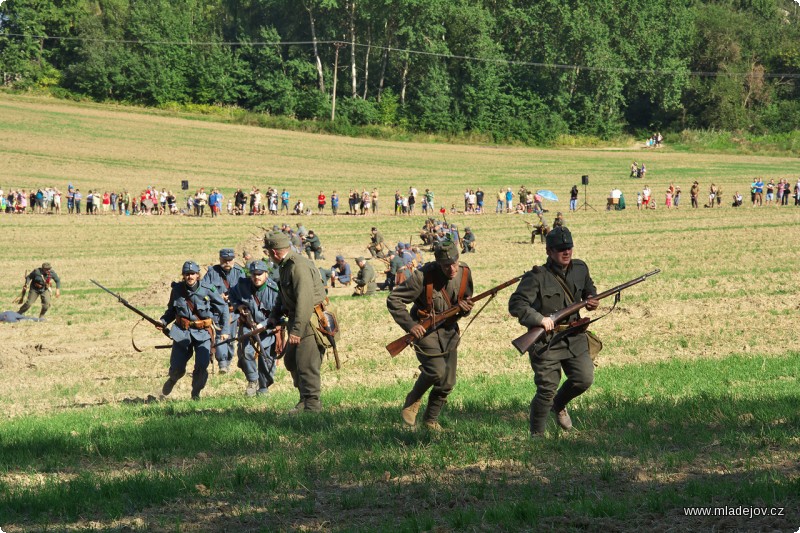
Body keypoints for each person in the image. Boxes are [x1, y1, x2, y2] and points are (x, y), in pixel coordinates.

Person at [508, 227, 599, 438]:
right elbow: (517, 304)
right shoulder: (536, 277)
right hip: (546, 342)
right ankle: (537, 434)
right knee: (546, 389)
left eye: (568, 247)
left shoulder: (580, 268)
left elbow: (589, 289)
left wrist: (592, 299)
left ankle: (558, 405)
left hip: (574, 337)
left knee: (584, 378)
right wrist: (540, 319)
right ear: (549, 251)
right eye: (560, 249)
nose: (566, 252)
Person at [387, 239, 474, 430]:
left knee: (448, 382)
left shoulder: (465, 272)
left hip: (449, 331)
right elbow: (394, 299)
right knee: (436, 371)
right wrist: (410, 325)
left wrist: (465, 309)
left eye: (454, 263)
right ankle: (413, 400)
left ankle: (430, 421)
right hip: (424, 330)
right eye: (445, 265)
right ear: (437, 263)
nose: (452, 269)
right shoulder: (422, 276)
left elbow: (465, 302)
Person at [264, 231, 327, 413]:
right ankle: (304, 399)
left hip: (308, 321)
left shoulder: (297, 266)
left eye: (268, 252)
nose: (268, 255)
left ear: (274, 252)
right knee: (292, 361)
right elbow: (283, 295)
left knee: (306, 364)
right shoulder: (285, 265)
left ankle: (312, 406)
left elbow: (304, 301)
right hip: (297, 319)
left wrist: (297, 331)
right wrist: (275, 314)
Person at [158, 261, 229, 400]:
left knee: (202, 365)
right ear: (183, 275)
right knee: (177, 367)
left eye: (192, 274)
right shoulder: (177, 290)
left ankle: (195, 393)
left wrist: (225, 329)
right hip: (181, 332)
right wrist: (163, 321)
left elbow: (224, 308)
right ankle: (172, 379)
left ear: (198, 275)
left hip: (203, 333)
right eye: (187, 274)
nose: (190, 277)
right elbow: (171, 311)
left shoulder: (208, 289)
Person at [228, 260, 281, 397]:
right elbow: (232, 295)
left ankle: (263, 387)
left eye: (259, 274)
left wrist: (264, 324)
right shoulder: (242, 285)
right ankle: (252, 380)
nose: (256, 277)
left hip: (267, 327)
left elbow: (280, 311)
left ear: (266, 275)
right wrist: (238, 306)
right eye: (253, 274)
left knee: (266, 358)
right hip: (247, 325)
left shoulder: (274, 290)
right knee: (245, 353)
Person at [202, 249, 246, 373]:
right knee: (220, 337)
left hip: (232, 311)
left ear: (234, 259)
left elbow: (244, 291)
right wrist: (216, 296)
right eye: (224, 260)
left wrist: (232, 298)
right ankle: (222, 363)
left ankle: (228, 361)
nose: (227, 262)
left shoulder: (239, 272)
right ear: (220, 259)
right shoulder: (211, 273)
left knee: (231, 338)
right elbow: (203, 291)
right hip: (217, 311)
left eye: (230, 260)